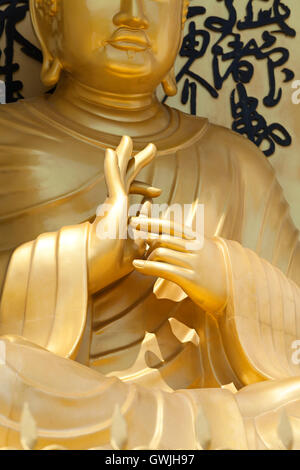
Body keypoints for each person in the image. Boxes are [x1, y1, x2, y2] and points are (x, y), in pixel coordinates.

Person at [0, 0, 299, 449]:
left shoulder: (236, 163)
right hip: (59, 399)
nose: (133, 13)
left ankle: (198, 426)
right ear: (49, 15)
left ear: (181, 20)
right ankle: (205, 432)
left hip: (215, 403)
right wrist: (85, 257)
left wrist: (230, 280)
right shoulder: (8, 143)